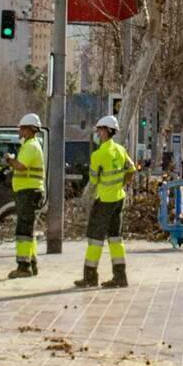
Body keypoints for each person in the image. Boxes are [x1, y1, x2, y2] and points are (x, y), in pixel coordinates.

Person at [75, 115, 136, 289]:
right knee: (115, 238)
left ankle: (90, 277)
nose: (97, 133)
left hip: (103, 201)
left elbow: (93, 181)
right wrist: (121, 184)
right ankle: (120, 276)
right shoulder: (120, 150)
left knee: (95, 239)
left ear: (106, 132)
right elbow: (131, 169)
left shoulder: (98, 154)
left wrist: (86, 199)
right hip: (118, 199)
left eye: (99, 130)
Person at [6, 113, 45, 279]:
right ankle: (32, 263)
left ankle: (24, 266)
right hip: (31, 192)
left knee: (23, 230)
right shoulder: (32, 145)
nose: (20, 132)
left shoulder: (30, 146)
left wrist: (9, 160)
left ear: (29, 130)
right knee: (29, 229)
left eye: (22, 129)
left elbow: (21, 166)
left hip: (28, 193)